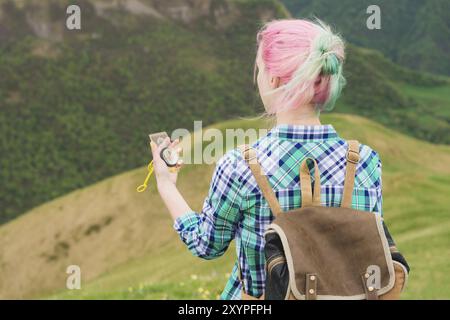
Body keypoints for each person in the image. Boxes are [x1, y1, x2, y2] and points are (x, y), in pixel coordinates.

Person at [150, 19, 405, 300]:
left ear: (273, 79)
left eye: (259, 69)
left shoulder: (239, 165)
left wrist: (166, 184)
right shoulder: (367, 161)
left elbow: (206, 245)